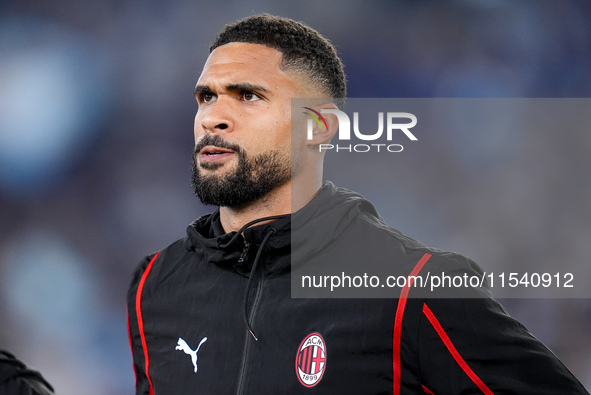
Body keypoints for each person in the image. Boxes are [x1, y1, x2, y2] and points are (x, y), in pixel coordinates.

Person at [127, 14, 589, 394]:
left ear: (319, 127)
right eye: (206, 96)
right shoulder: (154, 285)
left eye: (248, 95)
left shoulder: (413, 286)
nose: (213, 117)